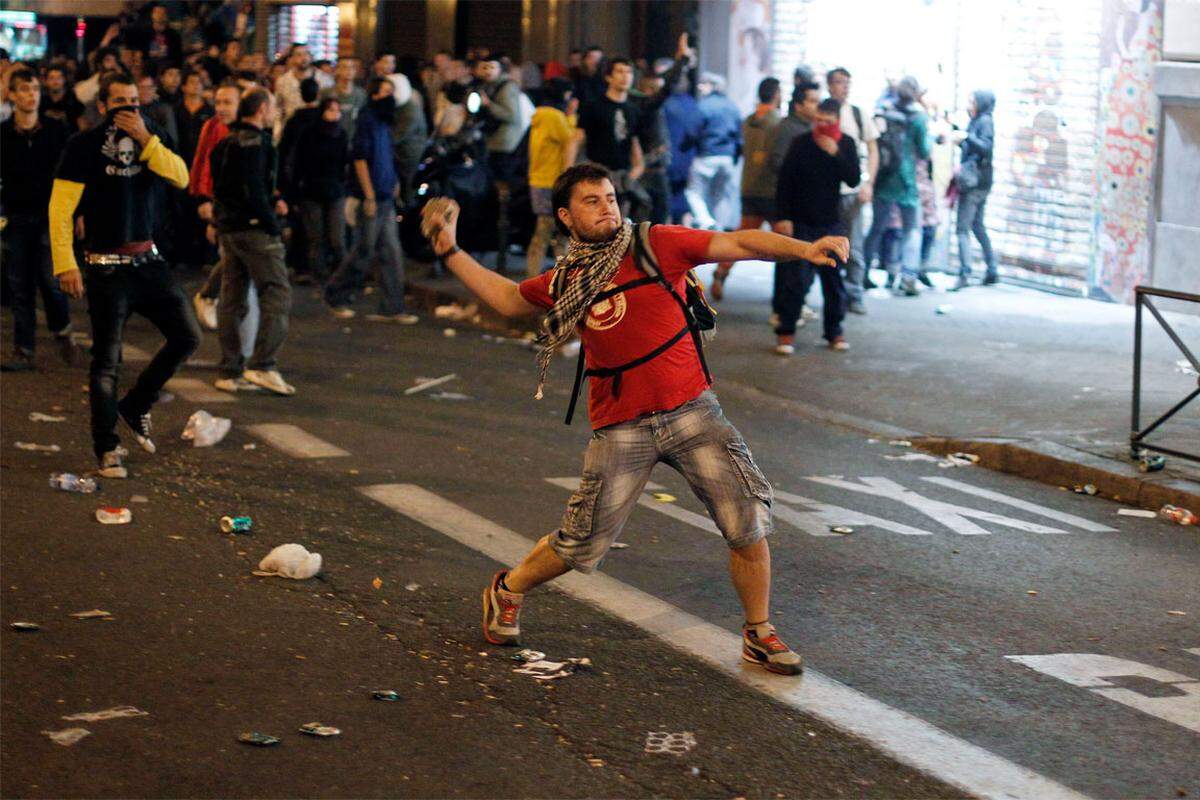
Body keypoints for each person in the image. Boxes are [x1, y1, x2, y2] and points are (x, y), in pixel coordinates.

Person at [422, 161, 848, 675]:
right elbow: (509, 300)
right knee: (581, 542)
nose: (607, 207)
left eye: (610, 197)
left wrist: (804, 249)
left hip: (693, 410)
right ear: (565, 215)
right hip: (622, 424)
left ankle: (759, 633)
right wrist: (449, 250)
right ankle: (507, 589)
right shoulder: (568, 279)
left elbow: (737, 243)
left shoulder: (655, 244)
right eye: (592, 201)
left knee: (748, 518)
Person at [49, 72, 200, 478]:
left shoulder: (153, 137)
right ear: (103, 106)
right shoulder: (83, 145)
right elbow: (61, 209)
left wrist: (149, 141)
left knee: (188, 335)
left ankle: (136, 405)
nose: (131, 109)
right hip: (104, 266)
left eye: (135, 100)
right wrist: (65, 263)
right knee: (106, 361)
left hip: (147, 260)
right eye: (121, 102)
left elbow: (181, 177)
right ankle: (107, 447)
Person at [210, 87, 295, 396]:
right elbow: (254, 188)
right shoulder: (259, 143)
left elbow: (220, 187)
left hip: (229, 229)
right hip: (254, 230)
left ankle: (229, 369)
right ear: (261, 109)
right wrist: (271, 223)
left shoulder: (225, 143)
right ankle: (263, 364)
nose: (274, 112)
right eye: (271, 106)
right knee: (277, 292)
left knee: (232, 297)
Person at [323, 77, 418, 324]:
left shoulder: (385, 122)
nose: (390, 97)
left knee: (391, 252)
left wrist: (393, 181)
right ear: (374, 95)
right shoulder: (366, 119)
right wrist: (369, 195)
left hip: (385, 194)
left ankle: (392, 306)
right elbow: (360, 158)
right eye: (385, 92)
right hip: (373, 197)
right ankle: (336, 294)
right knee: (364, 250)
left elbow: (386, 156)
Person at [1, 68, 77, 372]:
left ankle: (63, 330)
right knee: (20, 285)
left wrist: (78, 212)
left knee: (50, 279)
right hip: (17, 216)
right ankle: (24, 349)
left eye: (34, 88)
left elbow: (73, 172)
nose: (30, 94)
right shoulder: (4, 134)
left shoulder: (57, 131)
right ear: (12, 95)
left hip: (52, 216)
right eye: (23, 89)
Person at [774, 98, 859, 355]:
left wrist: (836, 153)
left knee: (833, 281)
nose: (821, 125)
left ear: (837, 121)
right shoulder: (800, 143)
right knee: (795, 280)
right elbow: (784, 182)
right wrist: (783, 217)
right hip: (800, 222)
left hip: (831, 222)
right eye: (818, 120)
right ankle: (786, 332)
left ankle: (835, 331)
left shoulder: (845, 144)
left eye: (827, 121)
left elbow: (853, 179)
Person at [710, 76, 782, 300]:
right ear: (777, 94)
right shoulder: (778, 122)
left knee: (742, 239)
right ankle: (786, 296)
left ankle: (722, 270)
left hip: (748, 187)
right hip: (771, 190)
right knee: (783, 242)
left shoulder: (749, 121)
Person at [863, 75, 929, 297]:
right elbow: (924, 150)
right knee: (912, 229)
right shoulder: (919, 117)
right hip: (906, 180)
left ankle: (861, 271)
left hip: (884, 176)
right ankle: (908, 277)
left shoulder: (885, 111)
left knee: (876, 227)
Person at [825, 67, 878, 315]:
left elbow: (872, 149)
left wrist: (868, 183)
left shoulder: (857, 114)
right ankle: (830, 296)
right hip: (825, 192)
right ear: (829, 85)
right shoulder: (823, 113)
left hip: (852, 190)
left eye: (847, 82)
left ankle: (854, 294)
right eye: (839, 82)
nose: (844, 87)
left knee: (854, 245)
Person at [189, 80, 241, 331]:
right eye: (219, 102)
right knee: (232, 256)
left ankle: (214, 298)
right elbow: (203, 164)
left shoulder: (243, 130)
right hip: (220, 205)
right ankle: (210, 296)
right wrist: (204, 201)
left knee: (235, 258)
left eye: (227, 102)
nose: (221, 107)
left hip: (236, 206)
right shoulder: (213, 128)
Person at [572, 58, 644, 214]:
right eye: (619, 71)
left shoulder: (633, 110)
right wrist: (568, 173)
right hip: (595, 175)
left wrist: (630, 178)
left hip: (621, 178)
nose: (625, 76)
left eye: (629, 72)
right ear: (608, 77)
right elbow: (575, 140)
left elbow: (635, 150)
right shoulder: (593, 106)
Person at [473, 55, 525, 269]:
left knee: (503, 196)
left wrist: (489, 105)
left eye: (491, 67)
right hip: (492, 144)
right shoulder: (487, 86)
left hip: (505, 147)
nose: (487, 71)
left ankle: (505, 244)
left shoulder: (506, 88)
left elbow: (512, 115)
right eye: (484, 67)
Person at [292, 97, 349, 283]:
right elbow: (299, 161)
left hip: (335, 190)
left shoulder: (341, 135)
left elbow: (344, 162)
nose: (334, 114)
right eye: (330, 110)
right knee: (316, 237)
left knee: (337, 238)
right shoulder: (309, 134)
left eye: (337, 110)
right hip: (312, 190)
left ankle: (341, 274)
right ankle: (320, 274)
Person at [526, 77, 577, 276]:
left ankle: (536, 275)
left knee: (544, 232)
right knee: (556, 233)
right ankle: (543, 278)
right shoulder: (554, 116)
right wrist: (571, 116)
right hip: (553, 181)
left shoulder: (539, 114)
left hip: (538, 180)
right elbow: (571, 138)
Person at [684, 72, 742, 232]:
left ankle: (705, 221)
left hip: (706, 156)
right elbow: (739, 137)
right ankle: (719, 229)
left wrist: (685, 148)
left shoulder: (703, 106)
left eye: (703, 84)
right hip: (728, 158)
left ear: (711, 85)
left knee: (694, 193)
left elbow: (692, 132)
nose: (700, 87)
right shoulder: (732, 107)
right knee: (720, 196)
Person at [954, 89, 997, 290]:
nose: (968, 104)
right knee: (978, 226)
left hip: (974, 183)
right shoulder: (979, 120)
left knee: (963, 228)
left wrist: (966, 137)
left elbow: (985, 147)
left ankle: (965, 272)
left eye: (972, 100)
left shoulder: (984, 121)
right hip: (981, 181)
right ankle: (992, 269)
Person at [274, 43, 332, 124]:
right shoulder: (283, 81)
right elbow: (278, 108)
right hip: (291, 127)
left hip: (317, 127)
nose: (303, 58)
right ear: (292, 58)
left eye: (306, 54)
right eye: (299, 55)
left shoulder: (324, 79)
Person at [321, 56, 365, 137]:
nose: (349, 71)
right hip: (331, 138)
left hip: (354, 139)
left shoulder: (361, 94)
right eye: (344, 67)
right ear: (337, 70)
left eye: (352, 67)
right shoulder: (326, 93)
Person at [40, 63, 85, 131]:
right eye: (51, 78)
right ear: (46, 81)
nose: (55, 81)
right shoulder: (41, 102)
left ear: (64, 80)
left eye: (59, 78)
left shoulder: (74, 103)